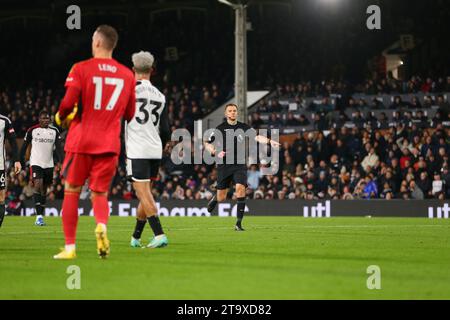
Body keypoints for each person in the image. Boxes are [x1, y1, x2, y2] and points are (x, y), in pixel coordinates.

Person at [53, 25, 136, 259]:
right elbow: (130, 114)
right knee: (99, 194)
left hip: (81, 141)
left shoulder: (81, 68)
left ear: (97, 42)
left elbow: (68, 103)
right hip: (109, 144)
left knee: (71, 191)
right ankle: (101, 225)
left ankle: (70, 248)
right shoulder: (127, 75)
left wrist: (61, 117)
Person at [204, 103, 280, 231]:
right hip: (224, 165)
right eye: (230, 111)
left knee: (240, 189)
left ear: (237, 113)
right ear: (226, 114)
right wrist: (214, 152)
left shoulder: (243, 127)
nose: (233, 112)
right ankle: (215, 199)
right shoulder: (220, 129)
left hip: (239, 164)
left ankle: (238, 224)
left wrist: (269, 141)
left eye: (234, 111)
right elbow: (207, 143)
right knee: (222, 197)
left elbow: (256, 136)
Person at [126, 51, 170, 248]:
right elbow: (167, 130)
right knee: (146, 192)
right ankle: (136, 237)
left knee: (142, 193)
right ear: (152, 70)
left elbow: (119, 121)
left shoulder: (129, 91)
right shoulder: (160, 96)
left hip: (137, 149)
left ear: (133, 70)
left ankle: (159, 234)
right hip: (155, 148)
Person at [20, 110, 63, 226]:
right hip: (36, 163)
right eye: (43, 118)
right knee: (38, 184)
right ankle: (38, 217)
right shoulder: (32, 130)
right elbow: (24, 147)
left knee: (44, 189)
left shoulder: (54, 131)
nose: (45, 121)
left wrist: (62, 162)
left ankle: (41, 214)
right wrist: (20, 162)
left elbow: (59, 149)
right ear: (39, 119)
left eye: (47, 119)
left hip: (49, 164)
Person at [0, 115, 21, 228]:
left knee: (1, 197)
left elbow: (13, 141)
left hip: (0, 165)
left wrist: (17, 160)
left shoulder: (4, 121)